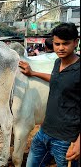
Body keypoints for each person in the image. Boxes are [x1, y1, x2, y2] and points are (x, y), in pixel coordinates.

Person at [19, 22, 80, 167]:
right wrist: (33, 73)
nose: (61, 48)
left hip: (66, 140)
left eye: (66, 43)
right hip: (43, 133)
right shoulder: (58, 62)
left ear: (76, 42)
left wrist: (79, 143)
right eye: (57, 44)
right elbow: (57, 79)